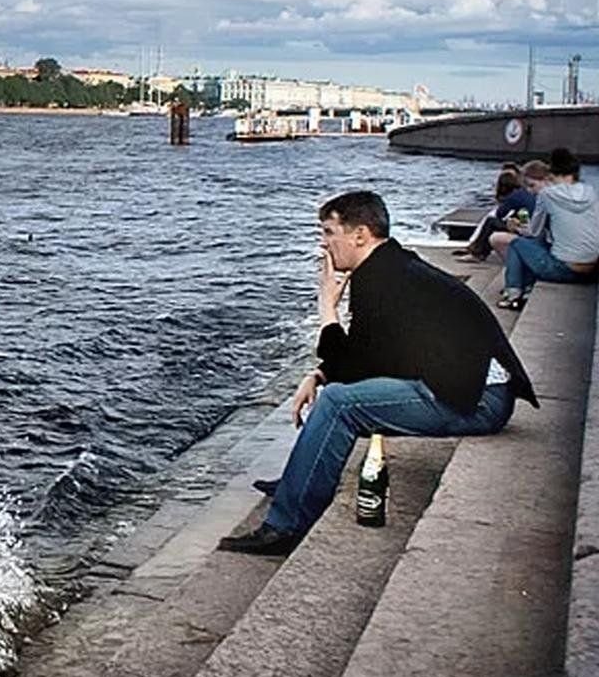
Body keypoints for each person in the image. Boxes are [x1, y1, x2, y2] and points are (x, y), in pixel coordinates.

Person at [218, 190, 538, 556]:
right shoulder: (390, 266)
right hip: (470, 387)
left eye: (327, 232)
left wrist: (326, 307)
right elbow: (365, 355)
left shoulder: (380, 278)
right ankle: (300, 480)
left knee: (340, 404)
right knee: (340, 394)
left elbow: (353, 371)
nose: (322, 244)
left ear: (360, 234)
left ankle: (284, 527)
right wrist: (320, 374)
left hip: (479, 399)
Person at [499, 147, 599, 309]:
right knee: (538, 245)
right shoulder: (591, 192)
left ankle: (513, 293)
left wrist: (516, 227)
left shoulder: (547, 195)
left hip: (567, 269)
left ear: (552, 174)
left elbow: (533, 232)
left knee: (517, 244)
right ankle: (526, 289)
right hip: (592, 270)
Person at [455, 166, 536, 260]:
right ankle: (477, 249)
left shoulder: (515, 196)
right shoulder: (527, 193)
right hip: (532, 227)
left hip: (527, 230)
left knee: (491, 222)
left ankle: (477, 253)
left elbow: (500, 214)